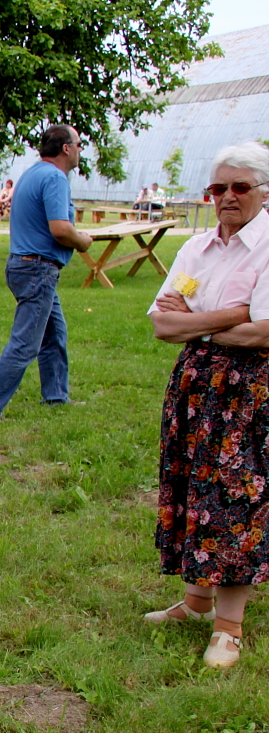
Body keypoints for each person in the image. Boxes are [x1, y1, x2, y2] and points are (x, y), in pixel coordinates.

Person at [144, 142, 269, 669]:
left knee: (236, 497)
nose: (227, 197)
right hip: (195, 388)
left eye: (240, 186)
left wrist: (196, 321)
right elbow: (162, 323)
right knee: (192, 484)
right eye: (218, 188)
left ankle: (229, 627)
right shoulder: (195, 248)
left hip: (249, 391)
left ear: (263, 191)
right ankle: (196, 602)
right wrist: (231, 314)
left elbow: (264, 332)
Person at [0, 125, 93, 421]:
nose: (80, 150)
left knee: (54, 334)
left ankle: (56, 397)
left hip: (25, 266)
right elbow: (60, 229)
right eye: (79, 144)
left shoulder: (32, 173)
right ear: (66, 148)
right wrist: (82, 241)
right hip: (38, 270)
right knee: (25, 344)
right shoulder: (54, 177)